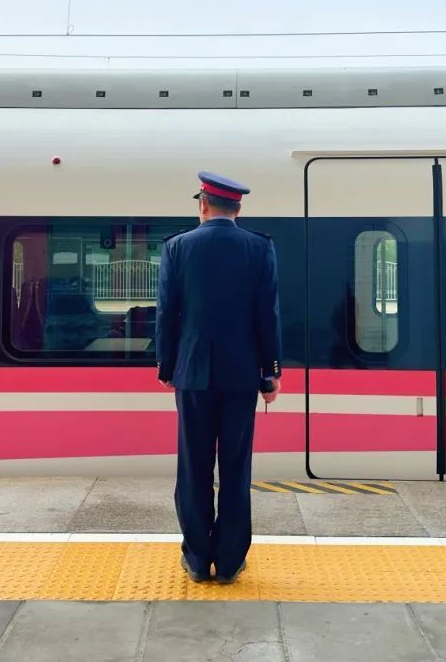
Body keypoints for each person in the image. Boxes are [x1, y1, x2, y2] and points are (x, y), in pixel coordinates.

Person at [155, 171, 283, 585]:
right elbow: (268, 315)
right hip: (242, 377)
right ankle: (228, 562)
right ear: (238, 209)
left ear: (203, 205)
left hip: (192, 374)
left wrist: (166, 367)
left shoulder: (177, 247)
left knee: (193, 467)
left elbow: (167, 313)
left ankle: (196, 559)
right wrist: (271, 373)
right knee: (235, 468)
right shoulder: (260, 248)